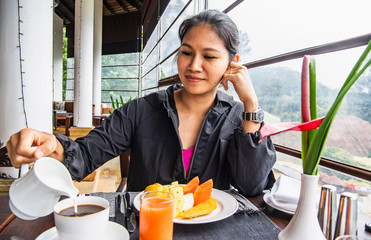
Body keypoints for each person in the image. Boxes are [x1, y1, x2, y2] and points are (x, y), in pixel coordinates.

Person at [6, 9, 276, 196]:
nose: (194, 66)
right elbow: (85, 156)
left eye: (209, 56)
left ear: (232, 64)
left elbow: (252, 187)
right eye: (186, 52)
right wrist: (51, 144)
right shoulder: (142, 110)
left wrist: (251, 104)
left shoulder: (239, 117)